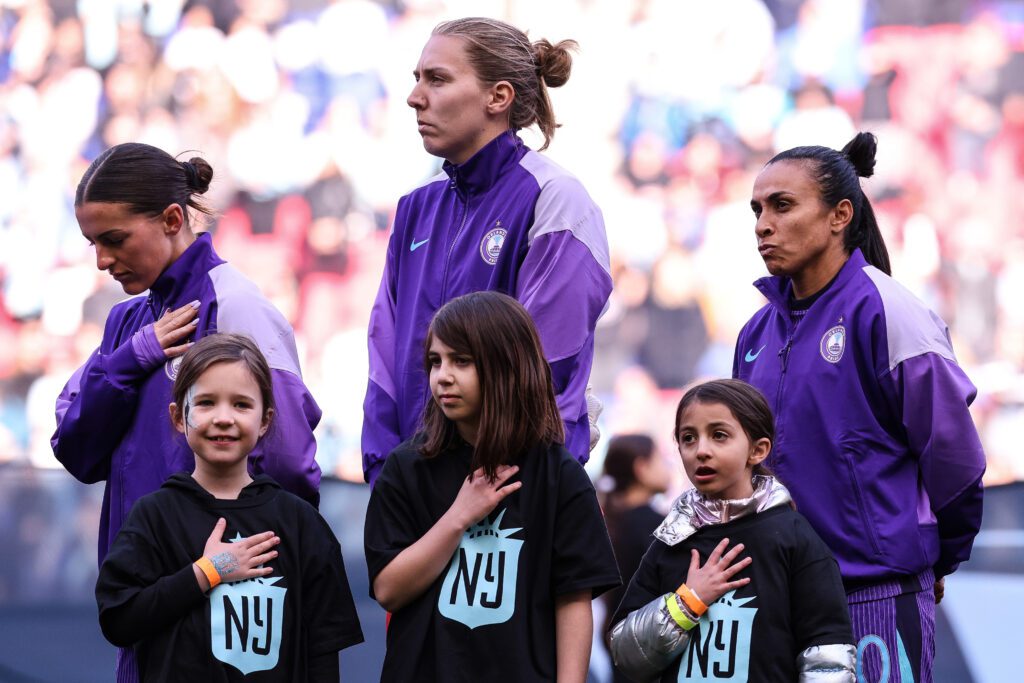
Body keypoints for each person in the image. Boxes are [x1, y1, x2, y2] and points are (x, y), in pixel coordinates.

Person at [52, 143, 322, 681]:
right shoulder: (128, 324)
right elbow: (75, 447)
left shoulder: (236, 306)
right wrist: (133, 359)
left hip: (229, 616)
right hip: (146, 605)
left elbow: (290, 466)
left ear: (173, 219)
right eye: (92, 244)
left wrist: (234, 567)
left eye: (114, 239)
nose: (102, 260)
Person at [734, 132, 986, 682]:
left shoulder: (889, 312)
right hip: (778, 603)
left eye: (782, 205)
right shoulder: (753, 333)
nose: (762, 224)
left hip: (873, 597)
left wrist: (940, 558)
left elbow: (957, 464)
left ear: (839, 216)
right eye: (756, 209)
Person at [362, 17, 611, 485]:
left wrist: (467, 488)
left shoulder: (556, 200)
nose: (415, 97)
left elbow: (540, 370)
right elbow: (384, 355)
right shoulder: (416, 206)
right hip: (416, 491)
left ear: (498, 97)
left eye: (437, 79)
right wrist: (387, 479)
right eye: (417, 79)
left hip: (508, 494)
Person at [364, 291, 620, 682]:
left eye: (461, 360)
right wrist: (459, 516)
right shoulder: (406, 467)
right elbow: (388, 589)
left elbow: (573, 600)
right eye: (435, 361)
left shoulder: (559, 475)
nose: (443, 376)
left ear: (506, 365)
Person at [95, 334, 363, 682]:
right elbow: (119, 619)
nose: (224, 418)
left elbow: (324, 650)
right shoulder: (154, 516)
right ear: (179, 416)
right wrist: (209, 571)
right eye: (206, 403)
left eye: (241, 405)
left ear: (265, 419)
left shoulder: (300, 522)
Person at [609, 379, 855, 682]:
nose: (701, 450)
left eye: (719, 435)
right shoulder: (671, 541)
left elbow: (827, 656)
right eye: (688, 438)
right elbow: (624, 652)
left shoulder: (794, 537)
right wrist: (688, 602)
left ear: (758, 450)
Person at [597, 434, 671, 683]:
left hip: (615, 638)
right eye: (660, 459)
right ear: (641, 468)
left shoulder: (610, 520)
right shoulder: (656, 526)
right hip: (650, 642)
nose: (667, 468)